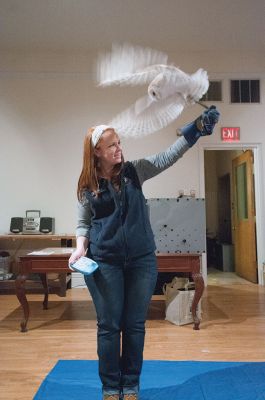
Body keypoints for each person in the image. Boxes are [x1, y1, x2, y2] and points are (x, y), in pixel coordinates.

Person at [69, 106, 220, 400]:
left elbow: (167, 156)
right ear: (97, 151)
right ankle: (112, 387)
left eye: (119, 143)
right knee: (110, 326)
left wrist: (196, 130)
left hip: (141, 261)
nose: (119, 149)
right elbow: (83, 223)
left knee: (135, 326)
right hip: (105, 263)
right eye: (112, 145)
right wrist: (79, 248)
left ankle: (131, 385)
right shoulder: (87, 185)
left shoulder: (134, 172)